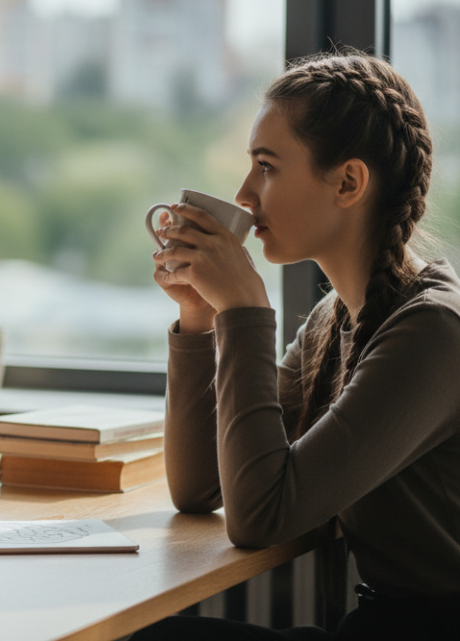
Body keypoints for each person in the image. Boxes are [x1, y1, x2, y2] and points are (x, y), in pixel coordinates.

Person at [133, 51, 458, 639]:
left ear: (348, 182)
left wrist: (246, 312)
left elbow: (262, 516)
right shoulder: (336, 320)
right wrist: (199, 320)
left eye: (266, 166)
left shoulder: (434, 332)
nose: (244, 194)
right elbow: (200, 488)